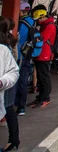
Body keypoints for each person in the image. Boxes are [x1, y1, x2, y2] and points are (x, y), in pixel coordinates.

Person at [29, 5, 56, 108]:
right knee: (41, 77)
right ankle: (40, 97)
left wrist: (34, 33)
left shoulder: (49, 26)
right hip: (40, 54)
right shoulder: (46, 25)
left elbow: (41, 39)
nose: (38, 21)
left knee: (44, 77)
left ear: (42, 16)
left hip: (44, 54)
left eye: (39, 19)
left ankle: (45, 98)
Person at [1, 17, 20, 152]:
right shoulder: (10, 40)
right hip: (8, 84)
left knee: (8, 109)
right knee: (9, 110)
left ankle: (13, 139)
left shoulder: (3, 48)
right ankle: (14, 139)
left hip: (5, 85)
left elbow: (13, 70)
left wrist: (3, 82)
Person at [15, 2, 33, 116]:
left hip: (20, 55)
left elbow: (17, 41)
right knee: (23, 80)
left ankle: (17, 104)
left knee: (17, 80)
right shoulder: (32, 21)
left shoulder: (21, 24)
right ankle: (22, 105)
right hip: (28, 53)